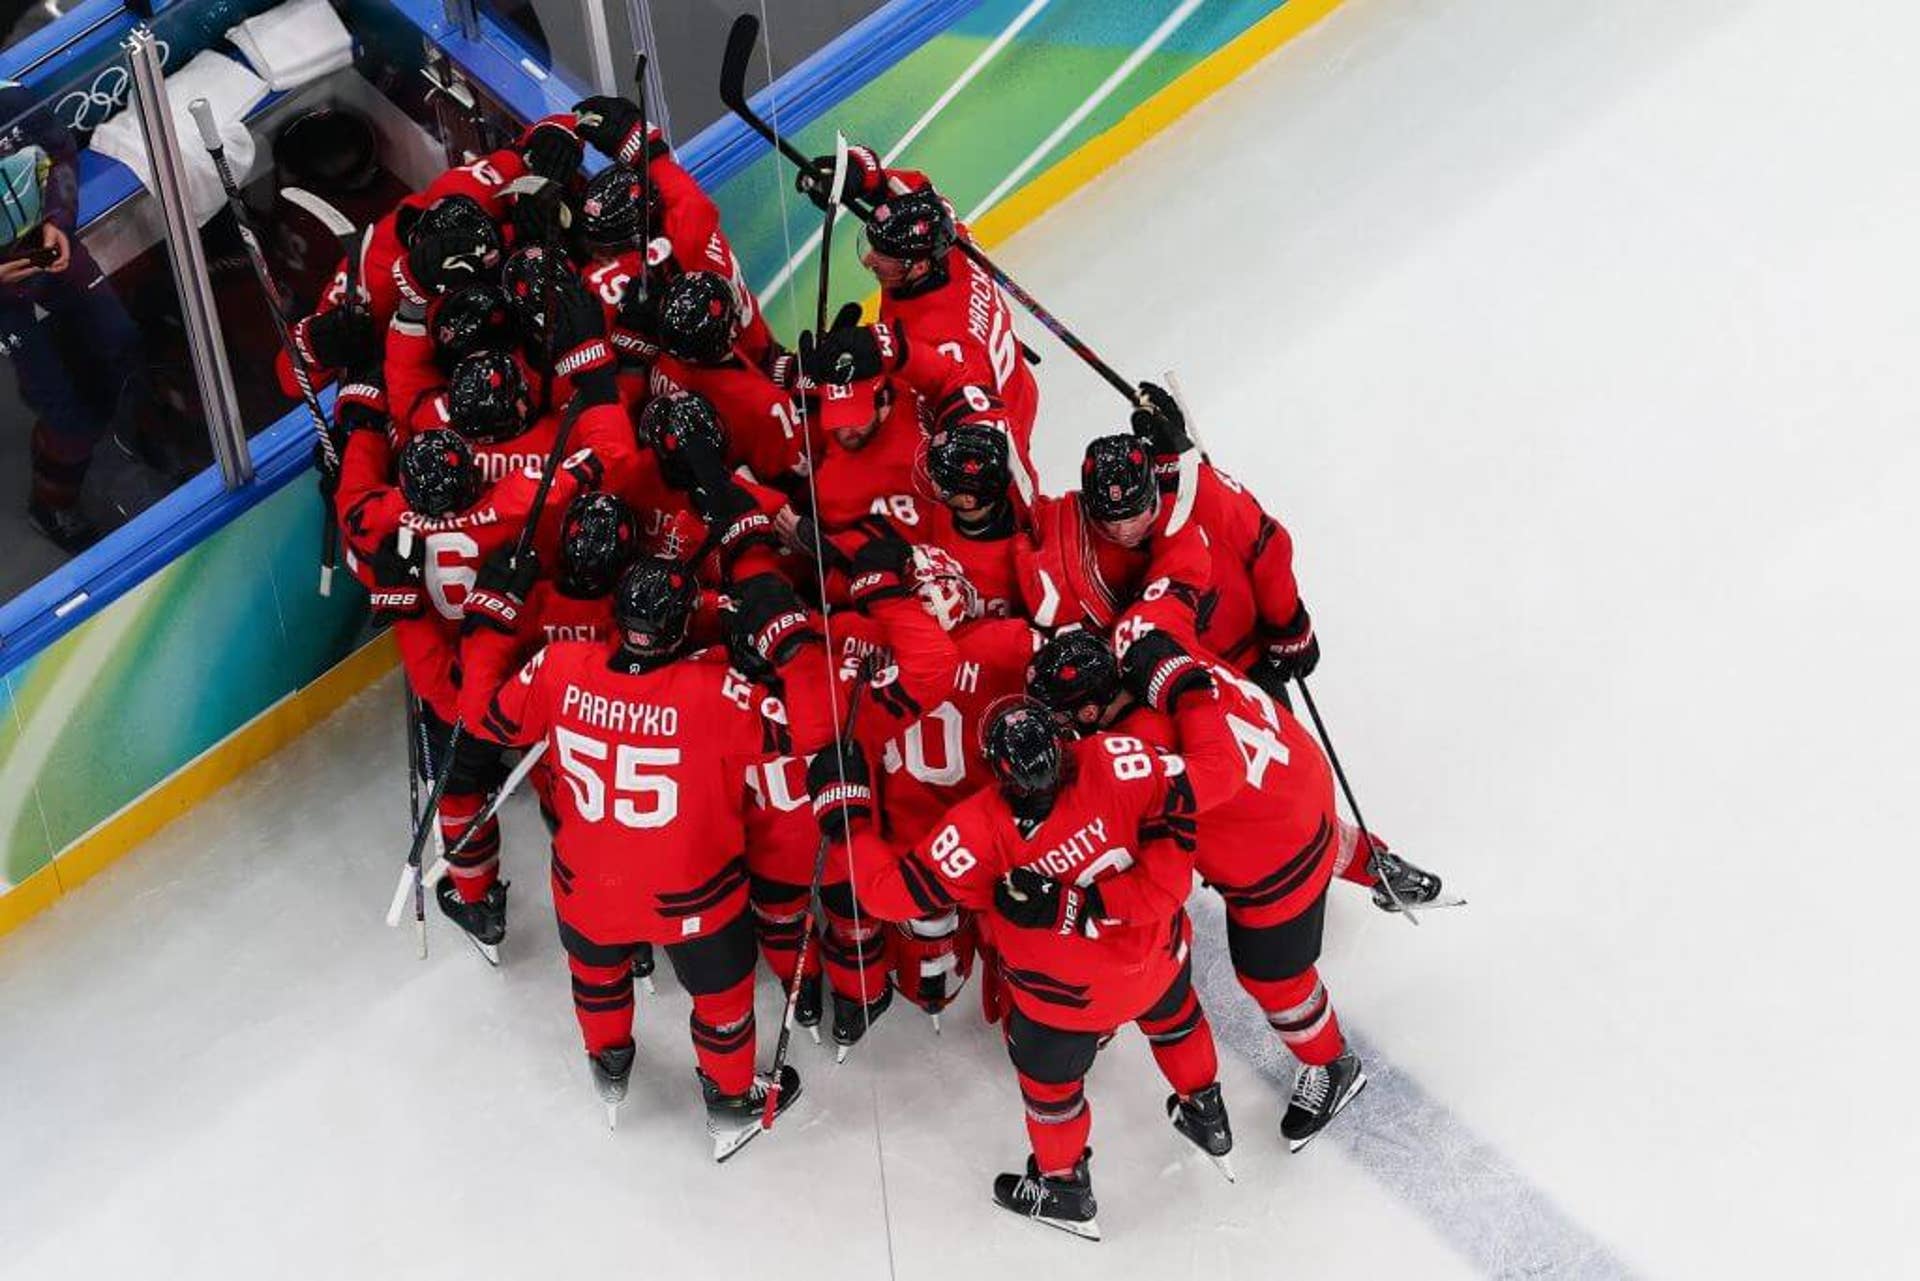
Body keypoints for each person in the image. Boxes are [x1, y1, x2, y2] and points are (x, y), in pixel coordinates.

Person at [810, 621, 1250, 1237]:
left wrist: (848, 817)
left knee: (1052, 1093)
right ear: (1064, 740)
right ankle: (1208, 1112)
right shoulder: (1116, 759)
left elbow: (885, 895)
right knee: (1177, 1021)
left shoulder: (979, 827)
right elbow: (1215, 783)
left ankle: (1064, 1188)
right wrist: (1191, 691)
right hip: (1156, 964)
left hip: (1062, 1003)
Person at [458, 555, 803, 1157]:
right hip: (694, 894)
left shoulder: (560, 667)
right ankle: (729, 1103)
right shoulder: (715, 693)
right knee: (721, 1001)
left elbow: (483, 717)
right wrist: (781, 641)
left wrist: (488, 619)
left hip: (587, 887)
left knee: (597, 979)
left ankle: (609, 1069)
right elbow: (805, 727)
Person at [1, 79, 146, 551]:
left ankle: (115, 431)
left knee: (121, 341)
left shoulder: (12, 99)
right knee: (63, 410)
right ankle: (51, 502)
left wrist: (58, 222)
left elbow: (60, 151)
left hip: (47, 244)